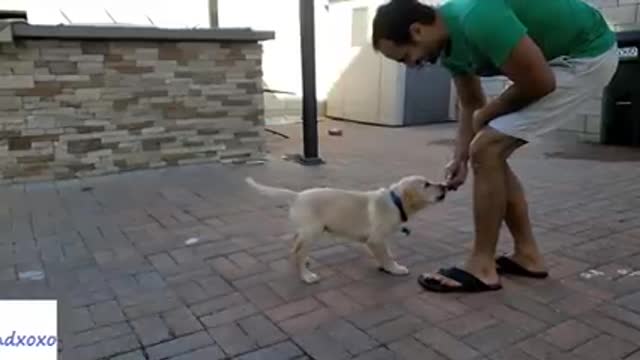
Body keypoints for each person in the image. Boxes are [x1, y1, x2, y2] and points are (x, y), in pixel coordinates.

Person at [371, 0, 619, 292]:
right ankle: (528, 256)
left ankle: (482, 266)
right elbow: (471, 103)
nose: (412, 65)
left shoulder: (476, 16)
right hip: (555, 64)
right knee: (488, 151)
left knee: (488, 149)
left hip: (587, 54)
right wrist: (460, 157)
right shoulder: (447, 45)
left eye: (405, 58)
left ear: (417, 30)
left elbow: (539, 82)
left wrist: (487, 115)